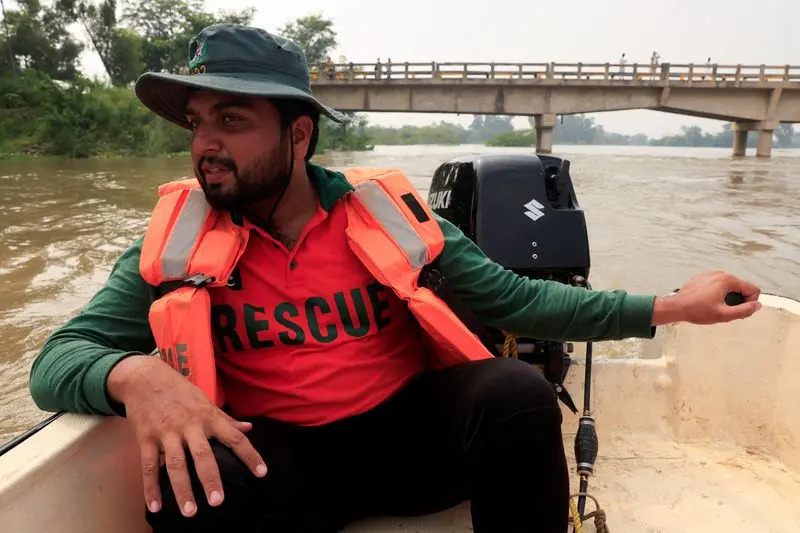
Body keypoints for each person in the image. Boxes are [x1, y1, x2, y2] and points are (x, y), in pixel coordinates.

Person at [28, 23, 762, 533]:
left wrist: (673, 306)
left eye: (230, 119)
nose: (204, 144)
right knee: (181, 490)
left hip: (410, 447)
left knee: (517, 392)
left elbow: (517, 298)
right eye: (195, 122)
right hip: (281, 466)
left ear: (299, 135)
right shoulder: (177, 240)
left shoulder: (382, 219)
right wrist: (135, 375)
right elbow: (57, 362)